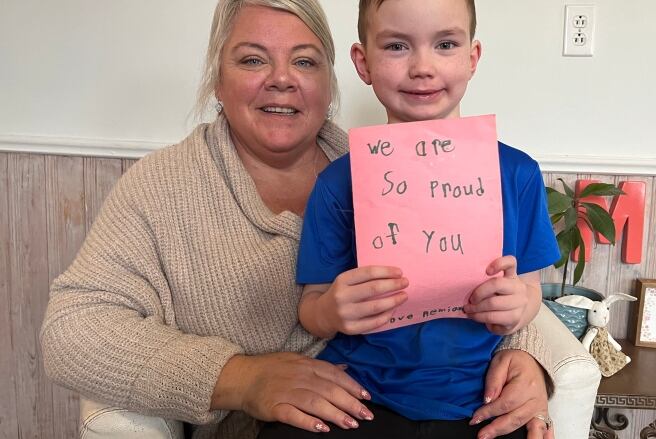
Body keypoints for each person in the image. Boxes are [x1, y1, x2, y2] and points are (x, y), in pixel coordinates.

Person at [39, 1, 553, 438]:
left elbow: (507, 279)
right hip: (301, 418)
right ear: (216, 78)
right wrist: (241, 379)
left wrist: (529, 357)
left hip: (445, 403)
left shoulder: (425, 165)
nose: (281, 80)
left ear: (331, 80)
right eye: (252, 59)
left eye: (303, 62)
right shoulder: (164, 187)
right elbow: (73, 329)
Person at [260, 0, 560, 438]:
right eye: (397, 46)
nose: (423, 66)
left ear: (472, 58)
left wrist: (518, 306)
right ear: (363, 62)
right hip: (359, 394)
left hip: (477, 399)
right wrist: (332, 310)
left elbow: (530, 291)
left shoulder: (518, 174)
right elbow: (312, 307)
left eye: (445, 44)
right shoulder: (338, 182)